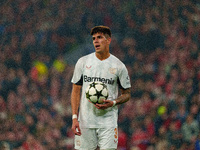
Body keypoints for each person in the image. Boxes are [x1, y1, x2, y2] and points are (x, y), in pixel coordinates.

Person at [71, 26, 131, 150]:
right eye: (93, 39)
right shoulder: (83, 62)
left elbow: (127, 94)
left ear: (108, 40)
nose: (96, 41)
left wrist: (113, 102)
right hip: (85, 121)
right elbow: (76, 91)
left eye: (99, 37)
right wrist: (74, 117)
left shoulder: (119, 66)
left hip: (108, 122)